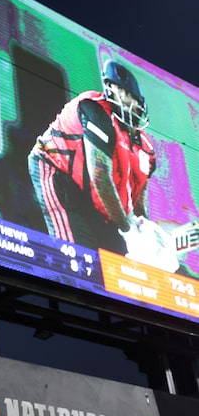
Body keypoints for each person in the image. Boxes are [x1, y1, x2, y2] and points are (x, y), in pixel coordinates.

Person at [28, 59, 178, 271]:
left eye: (134, 98)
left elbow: (137, 200)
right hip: (57, 169)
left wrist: (143, 226)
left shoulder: (145, 150)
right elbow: (100, 177)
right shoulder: (95, 110)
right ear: (111, 89)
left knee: (115, 262)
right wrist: (127, 230)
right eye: (126, 94)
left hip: (91, 188)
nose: (131, 103)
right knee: (77, 254)